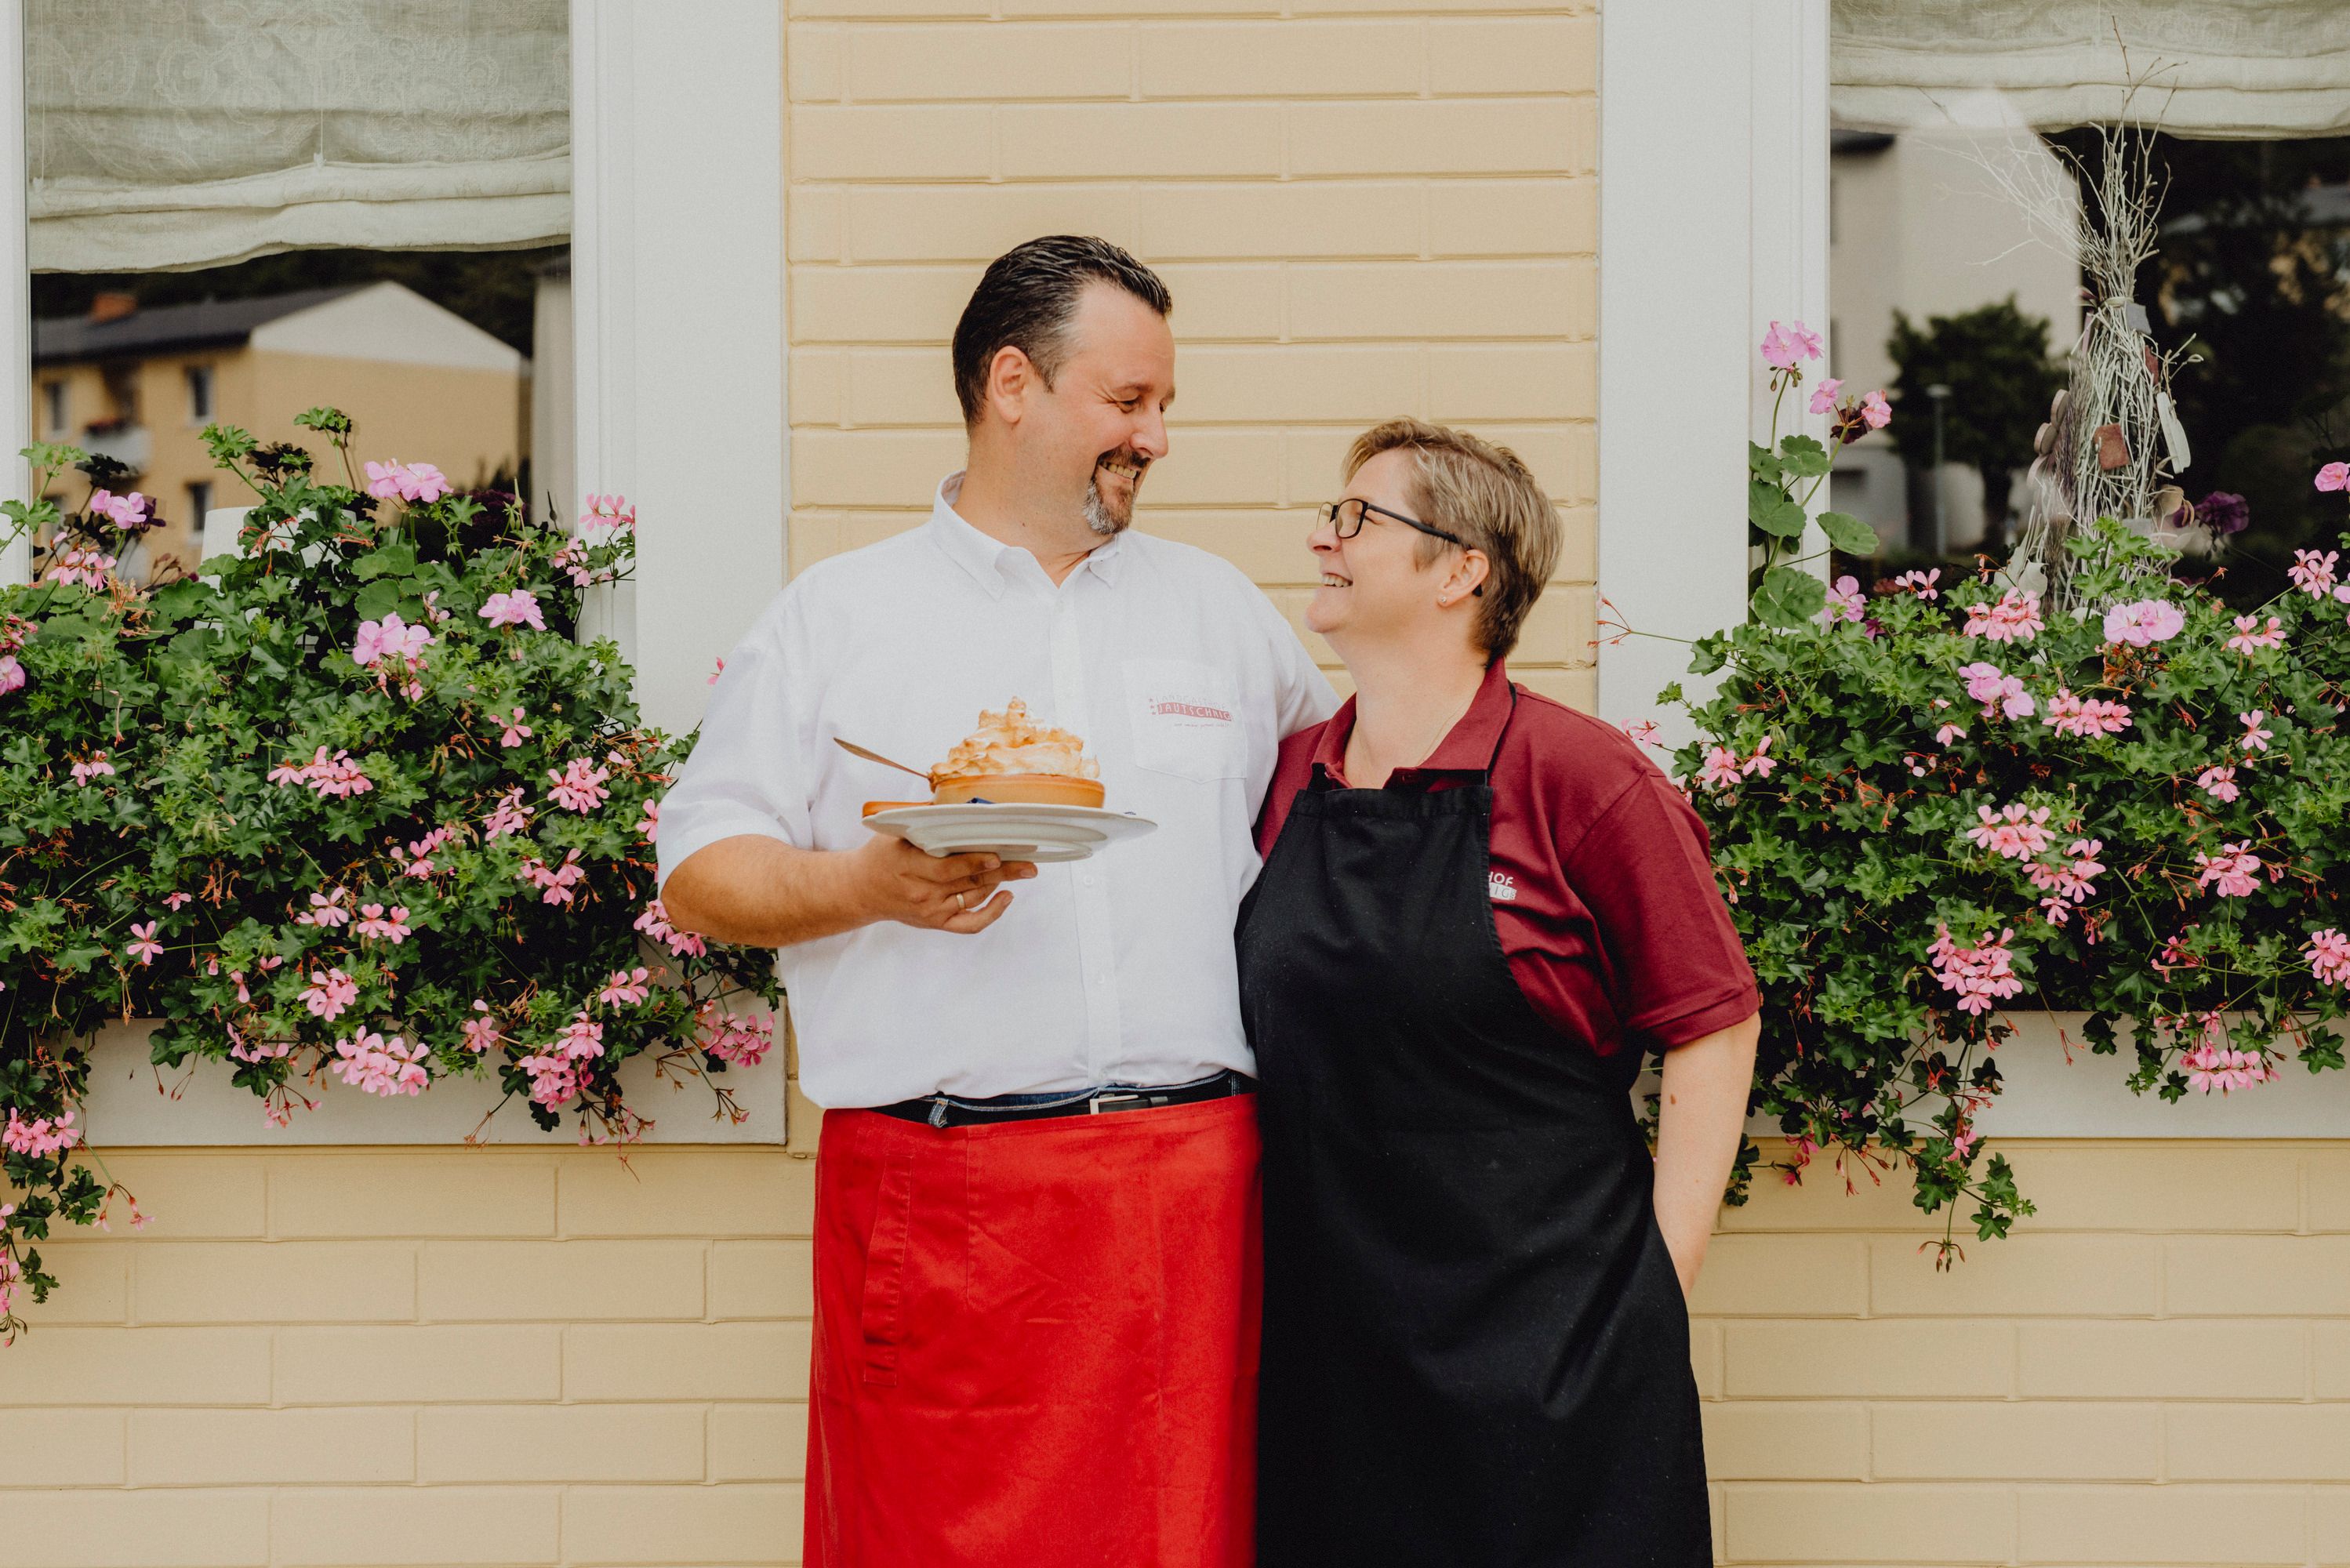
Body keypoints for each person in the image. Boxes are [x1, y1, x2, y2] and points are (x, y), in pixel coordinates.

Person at [656, 235, 1335, 1568]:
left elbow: (1335, 846)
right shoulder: (836, 619)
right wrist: (864, 883)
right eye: (1127, 403)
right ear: (1012, 384)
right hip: (937, 1201)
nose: (1153, 438)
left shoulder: (1223, 617)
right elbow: (699, 873)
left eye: (1162, 408)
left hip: (1191, 1197)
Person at [1237, 419, 1760, 1566]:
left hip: (1556, 1348)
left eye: (1357, 519)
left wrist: (1652, 1295)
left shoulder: (1581, 778)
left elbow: (1713, 1026)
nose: (1323, 540)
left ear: (1462, 569)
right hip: (1334, 1356)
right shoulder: (1286, 784)